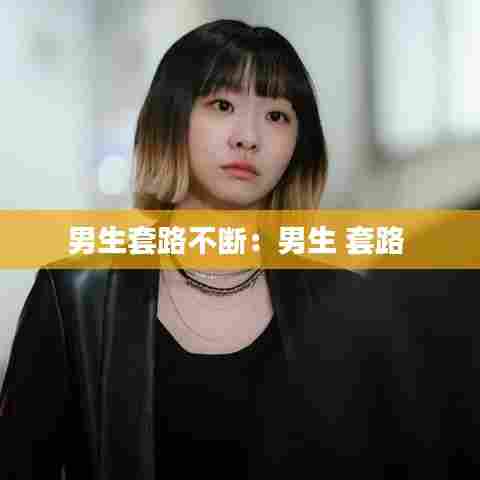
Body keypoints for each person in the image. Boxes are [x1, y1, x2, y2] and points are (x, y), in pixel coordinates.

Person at [1, 19, 404, 478]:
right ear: (171, 120)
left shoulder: (349, 306)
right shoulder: (76, 299)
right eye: (222, 105)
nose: (247, 137)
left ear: (299, 146)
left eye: (276, 116)